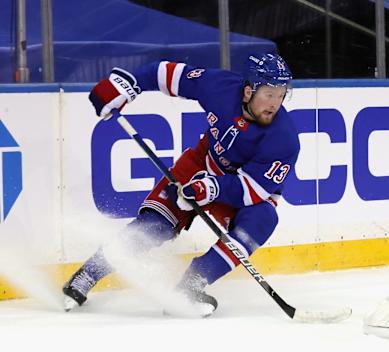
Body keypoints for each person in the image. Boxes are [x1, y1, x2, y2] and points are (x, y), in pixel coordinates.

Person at [62, 53, 300, 316]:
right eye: (268, 93)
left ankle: (191, 284)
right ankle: (87, 275)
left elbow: (251, 189)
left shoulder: (284, 138)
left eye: (281, 94)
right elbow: (169, 74)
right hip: (200, 164)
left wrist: (209, 189)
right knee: (154, 226)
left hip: (238, 190)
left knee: (263, 218)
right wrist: (128, 84)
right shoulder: (220, 87)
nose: (275, 103)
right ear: (247, 91)